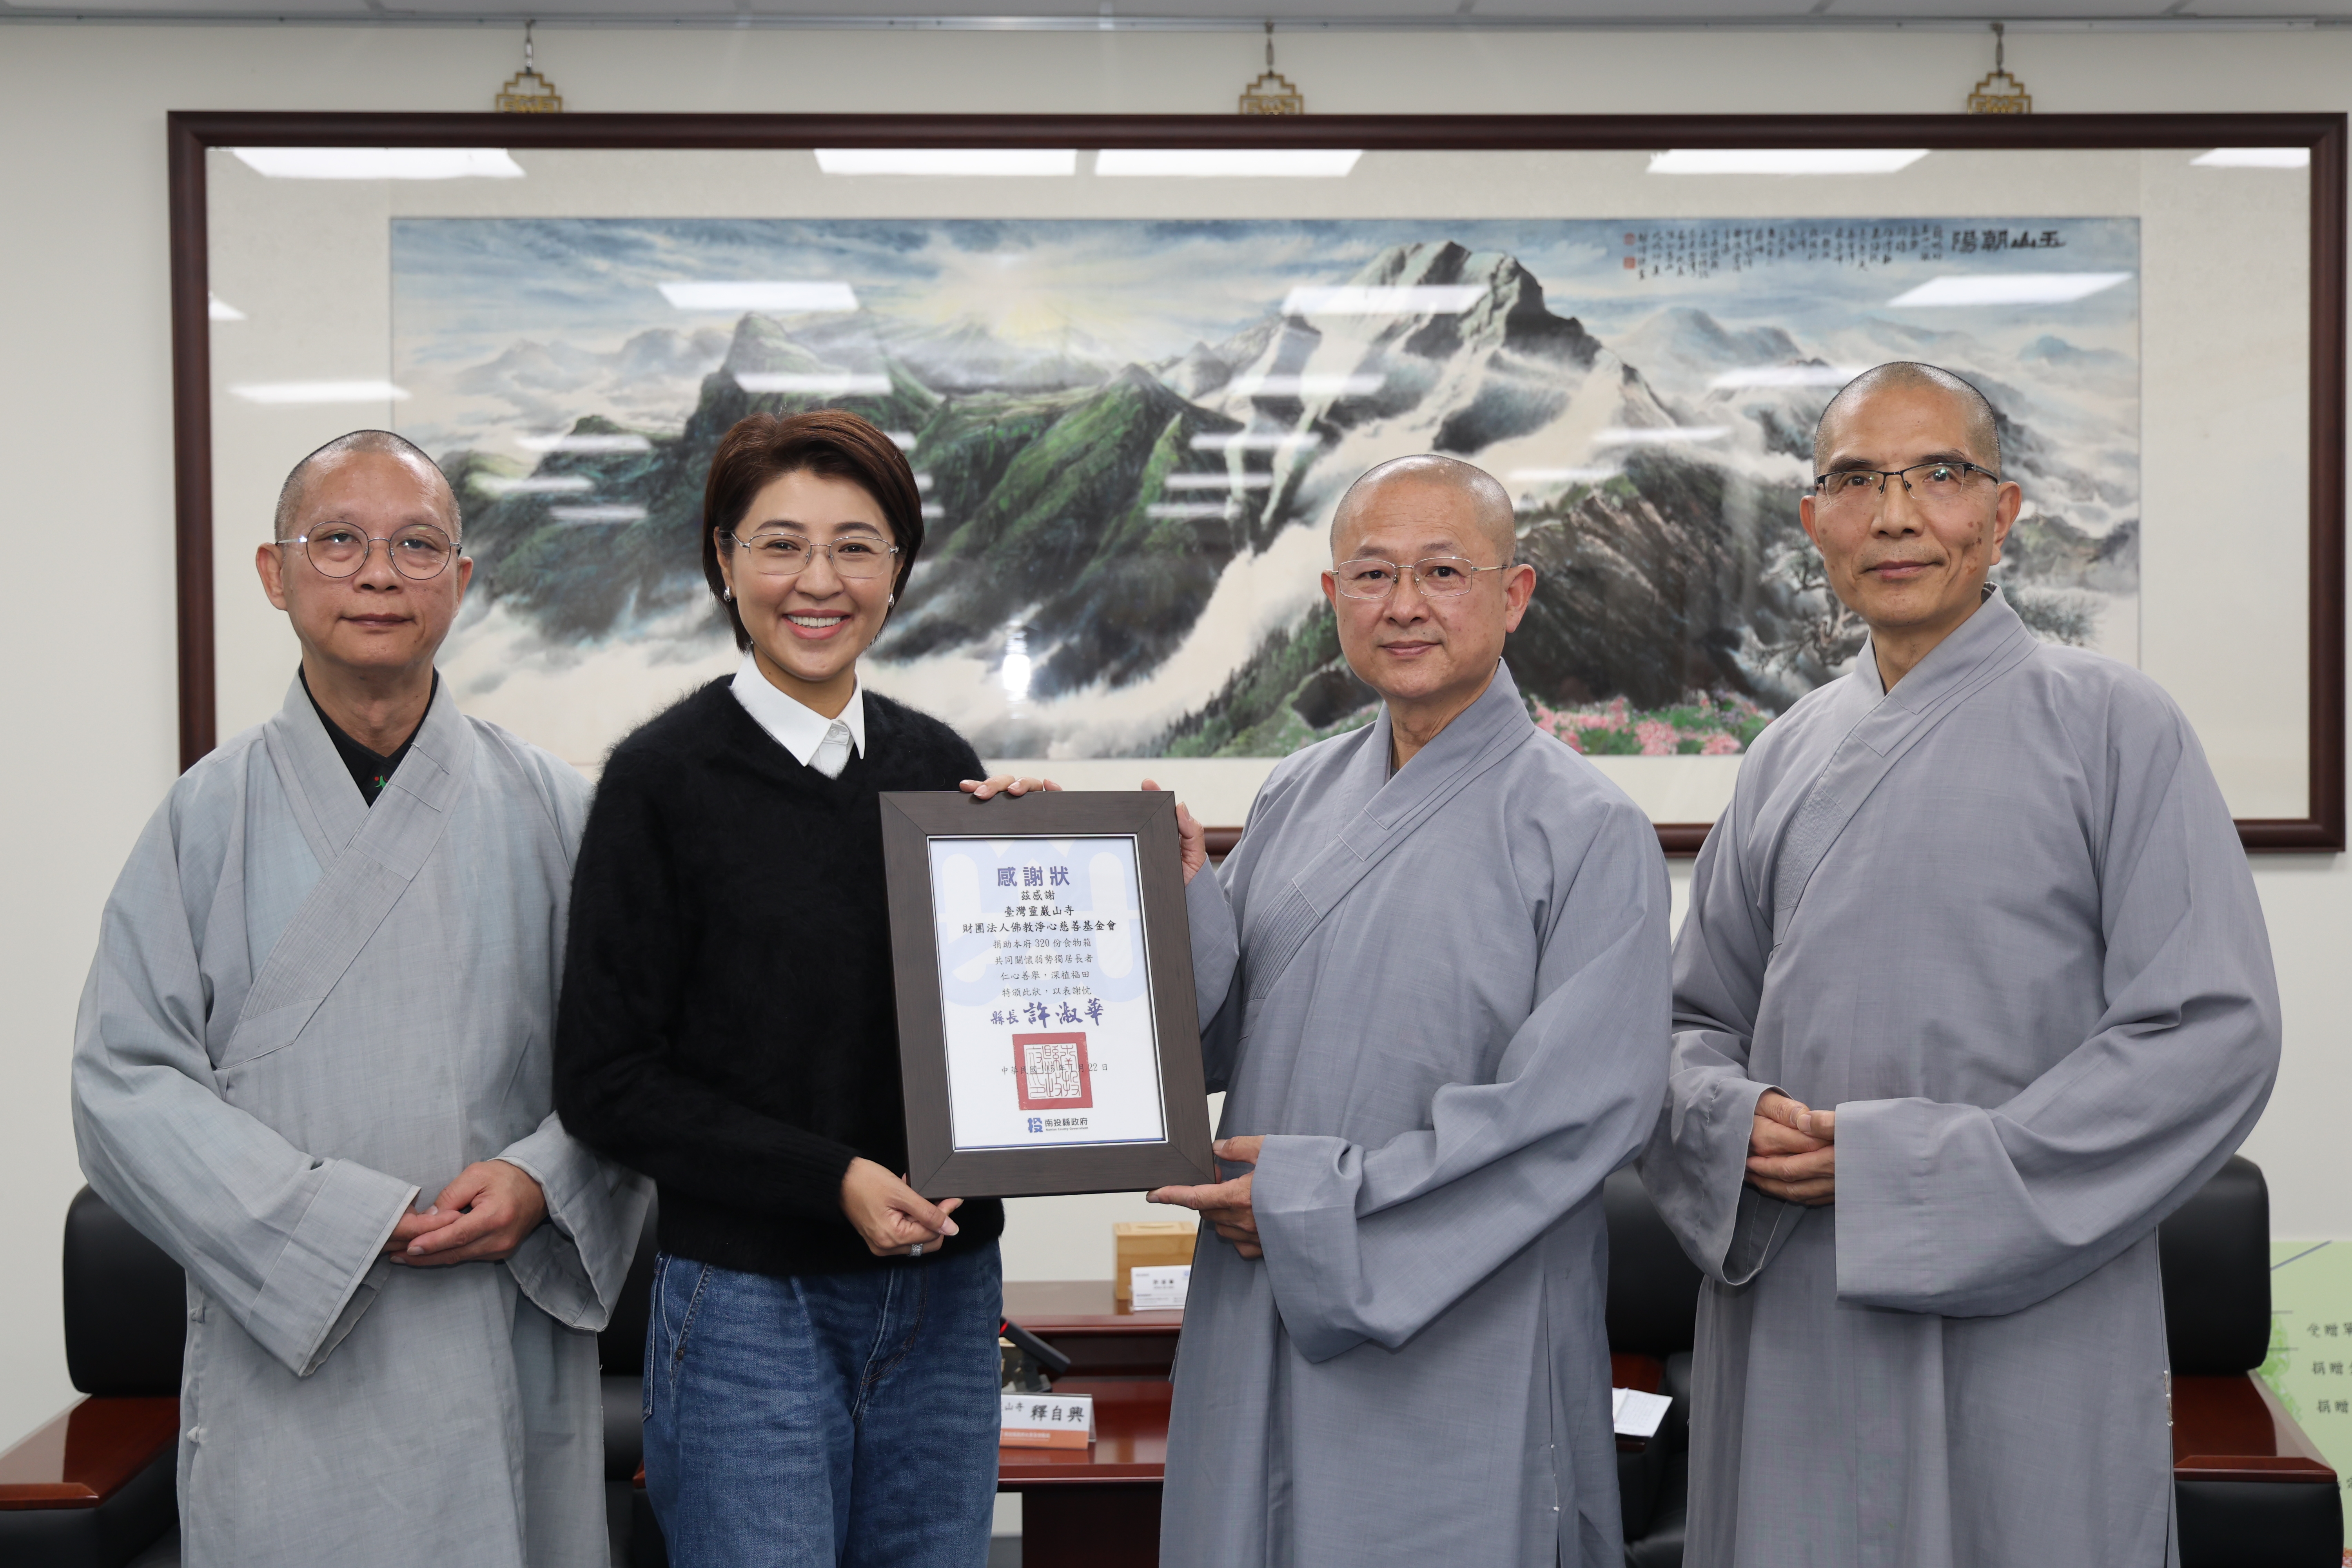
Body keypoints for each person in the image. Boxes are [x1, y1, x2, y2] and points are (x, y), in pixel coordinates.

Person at [1641, 362, 2281, 1568]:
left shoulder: (2116, 728)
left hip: (2033, 1303)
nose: (1896, 515)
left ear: (2004, 513)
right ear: (1812, 521)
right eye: (1857, 481)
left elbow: (2208, 1034)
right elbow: (1688, 1027)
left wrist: (1908, 1170)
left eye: (1940, 475)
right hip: (1797, 1306)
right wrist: (1735, 1120)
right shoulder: (1783, 756)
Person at [72, 430, 650, 1568]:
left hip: (501, 1328)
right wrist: (330, 1222)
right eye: (338, 541)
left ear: (464, 582)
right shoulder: (203, 820)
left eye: (417, 544)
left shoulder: (558, 810)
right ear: (274, 573)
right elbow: (122, 1085)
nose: (379, 573)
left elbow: (634, 1061)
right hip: (288, 1352)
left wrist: (544, 1179)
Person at [1138, 453, 1672, 1568]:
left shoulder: (1585, 828)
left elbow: (1575, 1117)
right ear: (1333, 603)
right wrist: (1171, 889)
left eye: (1443, 570)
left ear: (1512, 597)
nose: (1406, 605)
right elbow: (1228, 1036)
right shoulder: (1296, 791)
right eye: (1373, 575)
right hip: (1262, 1291)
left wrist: (1313, 1203)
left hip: (1459, 1318)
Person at [552, 409, 1008, 1568]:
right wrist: (833, 1179)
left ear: (899, 571)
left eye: (857, 546)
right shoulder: (659, 780)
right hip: (749, 1305)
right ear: (724, 560)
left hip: (948, 1297)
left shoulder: (940, 766)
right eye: (781, 544)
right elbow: (607, 1083)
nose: (820, 581)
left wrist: (1041, 871)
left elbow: (986, 1026)